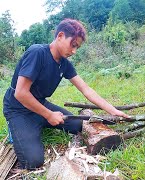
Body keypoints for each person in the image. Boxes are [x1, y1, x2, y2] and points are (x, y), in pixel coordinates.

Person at [3, 18, 129, 169]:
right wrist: (49, 115)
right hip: (18, 109)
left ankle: (39, 123)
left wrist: (113, 110)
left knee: (78, 125)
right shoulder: (37, 53)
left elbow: (86, 89)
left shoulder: (64, 64)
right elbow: (20, 93)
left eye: (78, 47)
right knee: (33, 160)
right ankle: (16, 129)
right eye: (73, 45)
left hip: (39, 103)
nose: (74, 51)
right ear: (60, 36)